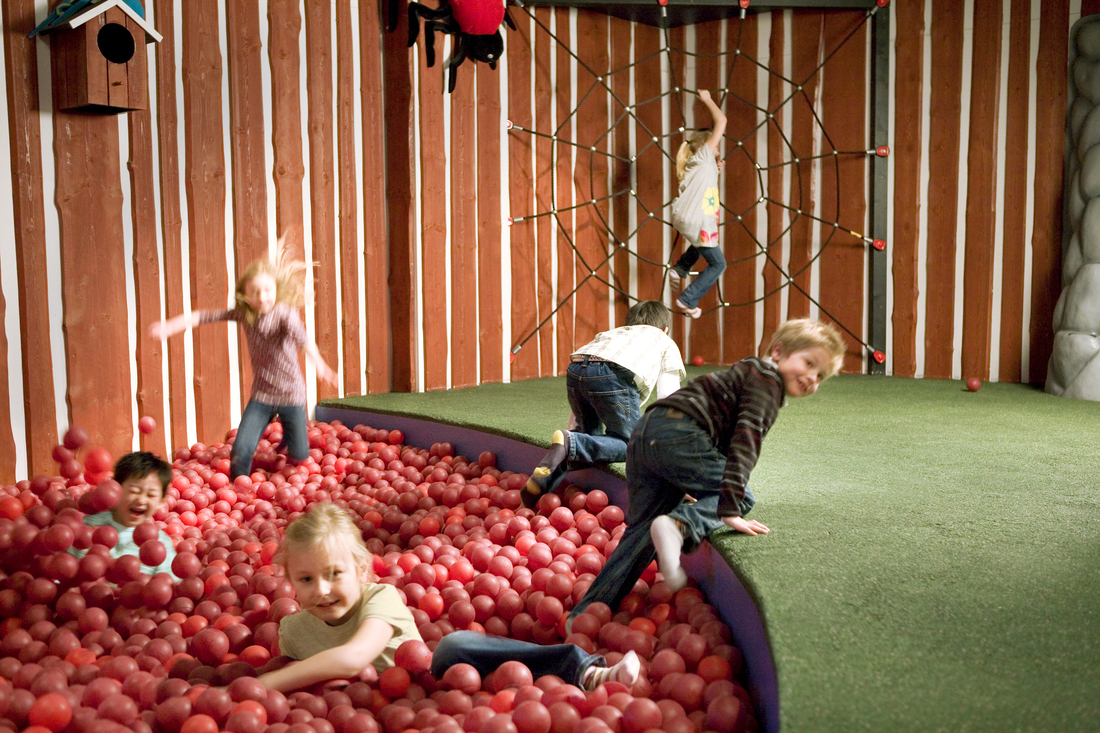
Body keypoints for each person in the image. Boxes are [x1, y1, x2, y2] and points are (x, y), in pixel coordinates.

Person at [567, 319, 846, 624]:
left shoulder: (747, 371)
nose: (812, 378)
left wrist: (694, 481)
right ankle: (677, 527)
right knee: (740, 496)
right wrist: (730, 509)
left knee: (640, 533)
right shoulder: (769, 384)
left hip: (646, 433)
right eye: (809, 363)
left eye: (820, 376)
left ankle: (584, 616)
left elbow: (717, 441)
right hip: (679, 434)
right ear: (778, 352)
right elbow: (745, 441)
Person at [258, 503, 640, 693]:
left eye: (334, 574)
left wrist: (264, 687)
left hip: (434, 688)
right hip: (365, 715)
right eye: (306, 579)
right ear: (290, 582)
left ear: (361, 571)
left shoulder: (380, 597)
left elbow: (354, 657)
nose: (321, 590)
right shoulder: (292, 631)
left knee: (452, 646)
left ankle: (585, 671)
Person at [151, 245, 336, 479]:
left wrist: (320, 364)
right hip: (262, 396)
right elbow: (204, 316)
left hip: (291, 395)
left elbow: (304, 340)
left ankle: (289, 438)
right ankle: (238, 483)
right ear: (245, 294)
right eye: (255, 292)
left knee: (299, 455)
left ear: (276, 290)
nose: (262, 297)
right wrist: (170, 326)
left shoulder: (285, 314)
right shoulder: (245, 314)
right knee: (240, 452)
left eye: (267, 290)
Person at [524, 300, 686, 508]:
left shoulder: (615, 334)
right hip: (611, 375)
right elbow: (669, 398)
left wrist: (574, 431)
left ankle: (534, 493)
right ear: (666, 330)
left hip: (576, 368)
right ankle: (571, 444)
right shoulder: (664, 341)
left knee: (585, 442)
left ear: (629, 324)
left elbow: (586, 373)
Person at [69, 451, 179, 579]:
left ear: (161, 502)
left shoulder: (160, 543)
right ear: (115, 489)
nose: (141, 500)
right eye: (134, 491)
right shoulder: (89, 527)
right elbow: (66, 569)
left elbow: (170, 583)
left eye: (151, 495)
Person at [668, 89, 727, 319]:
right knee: (718, 264)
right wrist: (708, 100)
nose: (717, 149)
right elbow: (722, 120)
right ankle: (688, 299)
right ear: (705, 143)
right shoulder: (703, 155)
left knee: (702, 241)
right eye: (716, 145)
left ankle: (680, 268)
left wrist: (716, 171)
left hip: (687, 217)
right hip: (698, 219)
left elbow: (703, 185)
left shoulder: (699, 162)